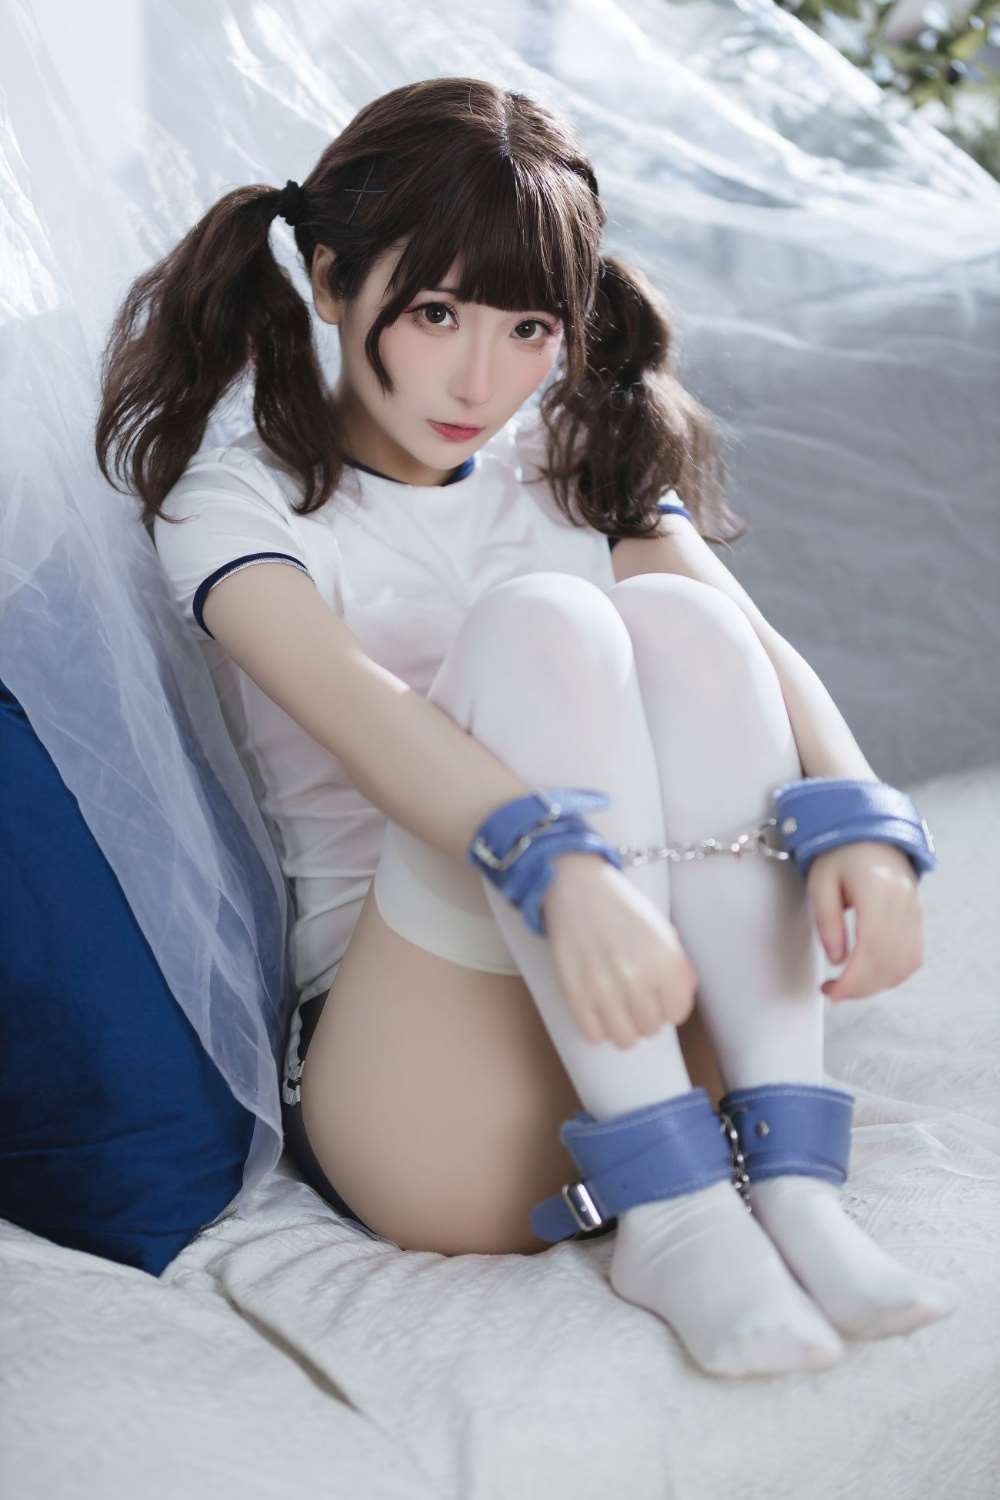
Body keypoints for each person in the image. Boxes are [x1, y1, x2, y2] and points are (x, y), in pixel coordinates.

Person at [94, 76, 958, 1378]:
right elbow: (369, 718)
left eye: (528, 328)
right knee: (544, 623)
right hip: (425, 1090)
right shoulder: (236, 505)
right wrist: (558, 866)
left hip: (659, 1030)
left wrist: (863, 829)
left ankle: (791, 1183)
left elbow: (755, 654)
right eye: (435, 313)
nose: (478, 377)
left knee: (682, 622)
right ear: (330, 282)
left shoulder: (570, 458)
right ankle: (675, 1218)